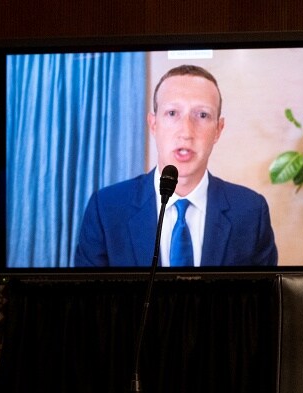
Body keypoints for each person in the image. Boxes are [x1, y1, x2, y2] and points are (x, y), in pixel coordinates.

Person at [74, 64, 278, 267]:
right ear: (153, 124)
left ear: (218, 129)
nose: (186, 132)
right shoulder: (106, 208)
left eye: (202, 115)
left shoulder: (251, 212)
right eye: (172, 113)